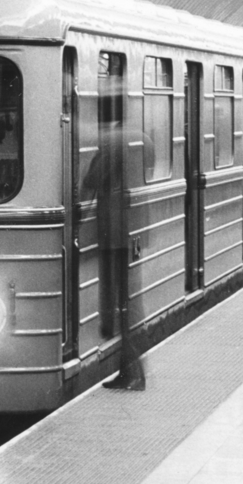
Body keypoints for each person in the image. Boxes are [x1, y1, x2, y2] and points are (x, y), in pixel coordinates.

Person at [82, 117, 145, 390]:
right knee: (125, 305)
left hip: (116, 237)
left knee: (122, 307)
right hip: (123, 234)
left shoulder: (109, 154)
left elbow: (90, 182)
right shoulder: (129, 150)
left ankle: (133, 374)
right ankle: (130, 372)